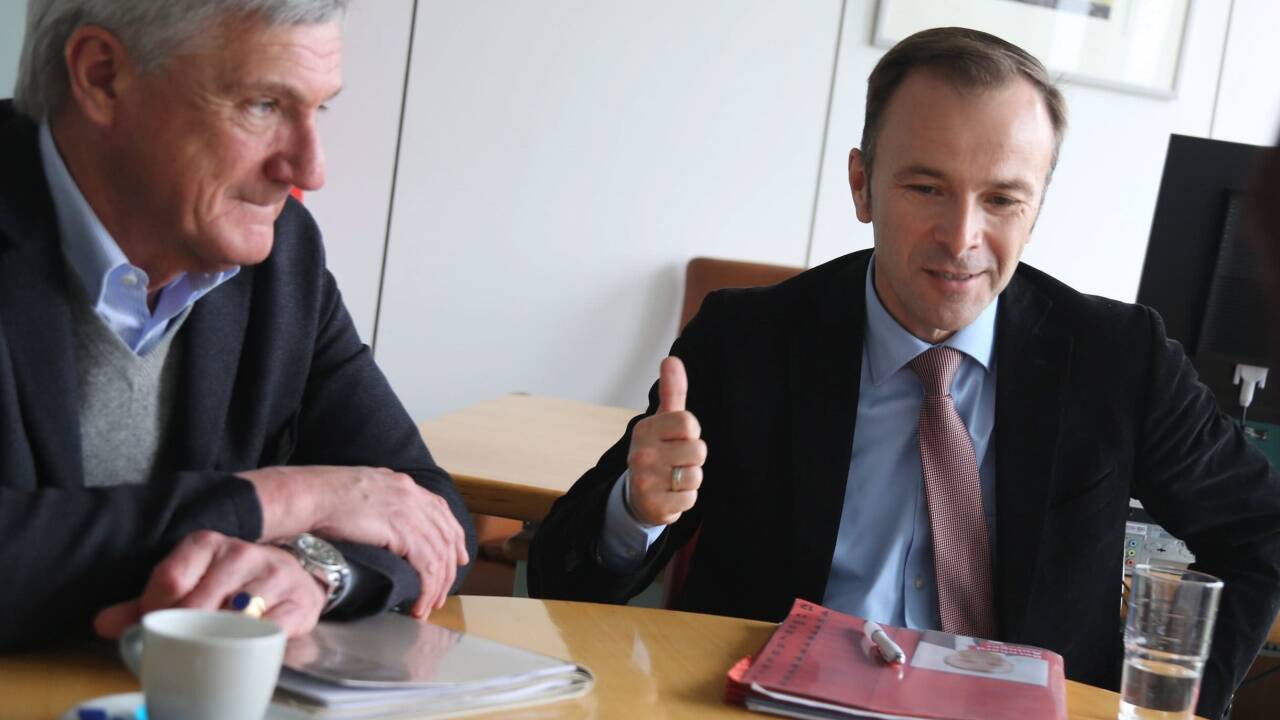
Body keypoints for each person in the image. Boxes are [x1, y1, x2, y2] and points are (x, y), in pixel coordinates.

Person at [529, 27, 1280, 719]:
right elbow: (562, 578)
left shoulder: (1119, 357)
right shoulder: (746, 339)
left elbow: (1261, 533)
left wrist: (1176, 704)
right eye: (926, 188)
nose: (962, 238)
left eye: (1001, 199)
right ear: (863, 184)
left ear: (1037, 206)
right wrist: (637, 510)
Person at [0, 0, 475, 648]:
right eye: (263, 106)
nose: (310, 170)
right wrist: (279, 501)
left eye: (319, 108)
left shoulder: (280, 256)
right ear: (103, 75)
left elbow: (425, 511)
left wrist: (307, 568)